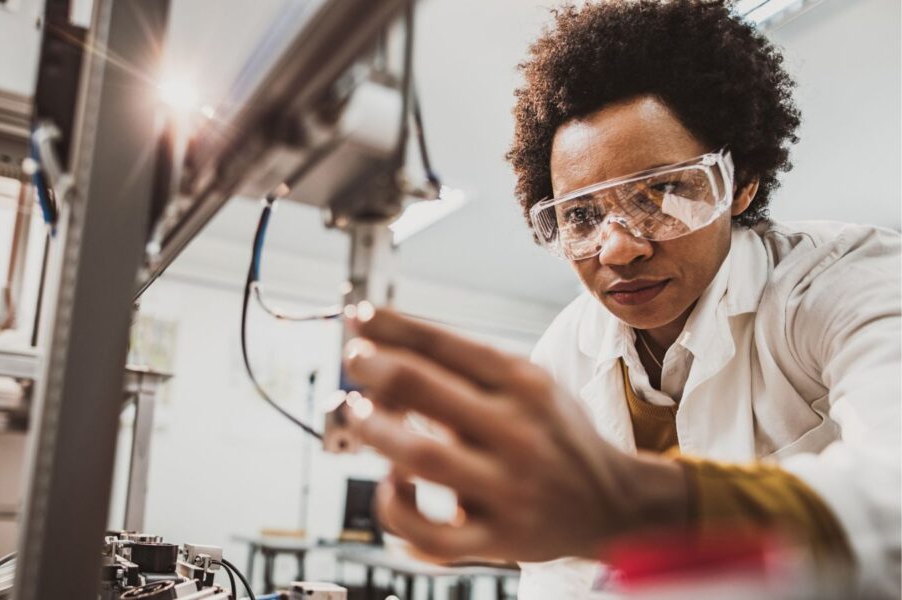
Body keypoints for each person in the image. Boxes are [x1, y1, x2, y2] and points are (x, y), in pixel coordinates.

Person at [339, 1, 901, 598]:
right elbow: (562, 580)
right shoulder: (567, 348)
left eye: (661, 192)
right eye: (581, 215)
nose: (617, 250)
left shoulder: (844, 281)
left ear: (739, 184)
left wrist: (637, 504)